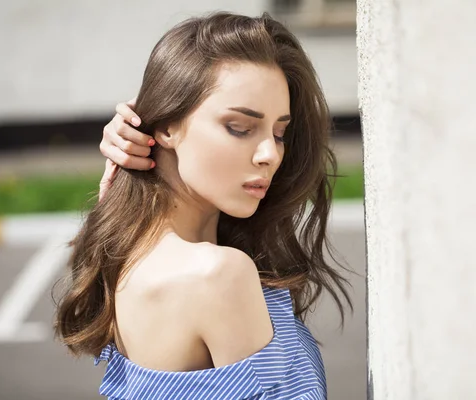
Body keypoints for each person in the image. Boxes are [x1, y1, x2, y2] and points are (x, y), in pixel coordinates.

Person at [54, 11, 353, 400]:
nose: (269, 154)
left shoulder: (129, 255)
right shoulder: (217, 275)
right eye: (240, 128)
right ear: (165, 126)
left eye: (279, 133)